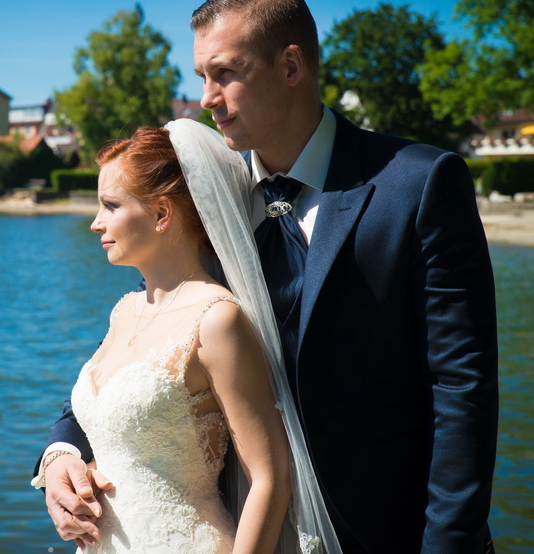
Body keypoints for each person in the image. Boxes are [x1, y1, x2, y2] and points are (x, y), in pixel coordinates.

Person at [36, 0, 499, 554]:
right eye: (201, 76)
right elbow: (145, 343)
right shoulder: (208, 203)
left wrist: (447, 545)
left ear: (290, 65)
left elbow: (462, 387)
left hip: (389, 531)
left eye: (225, 73)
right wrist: (61, 452)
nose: (206, 97)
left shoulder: (417, 183)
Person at [35, 122, 339, 552]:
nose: (95, 223)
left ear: (161, 214)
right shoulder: (125, 311)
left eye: (109, 205)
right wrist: (63, 459)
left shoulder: (216, 320)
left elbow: (271, 478)